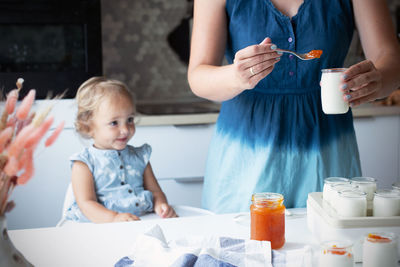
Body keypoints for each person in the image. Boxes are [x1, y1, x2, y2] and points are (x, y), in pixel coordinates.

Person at [188, 0, 400, 212]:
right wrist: (236, 76)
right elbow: (197, 76)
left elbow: (391, 59)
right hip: (244, 159)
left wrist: (378, 80)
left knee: (332, 241)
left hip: (328, 153)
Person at [65, 77, 177, 222]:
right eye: (114, 123)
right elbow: (87, 204)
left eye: (129, 120)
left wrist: (161, 204)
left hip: (142, 223)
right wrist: (114, 218)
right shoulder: (84, 164)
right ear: (88, 127)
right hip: (101, 228)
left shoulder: (140, 157)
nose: (125, 130)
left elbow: (155, 191)